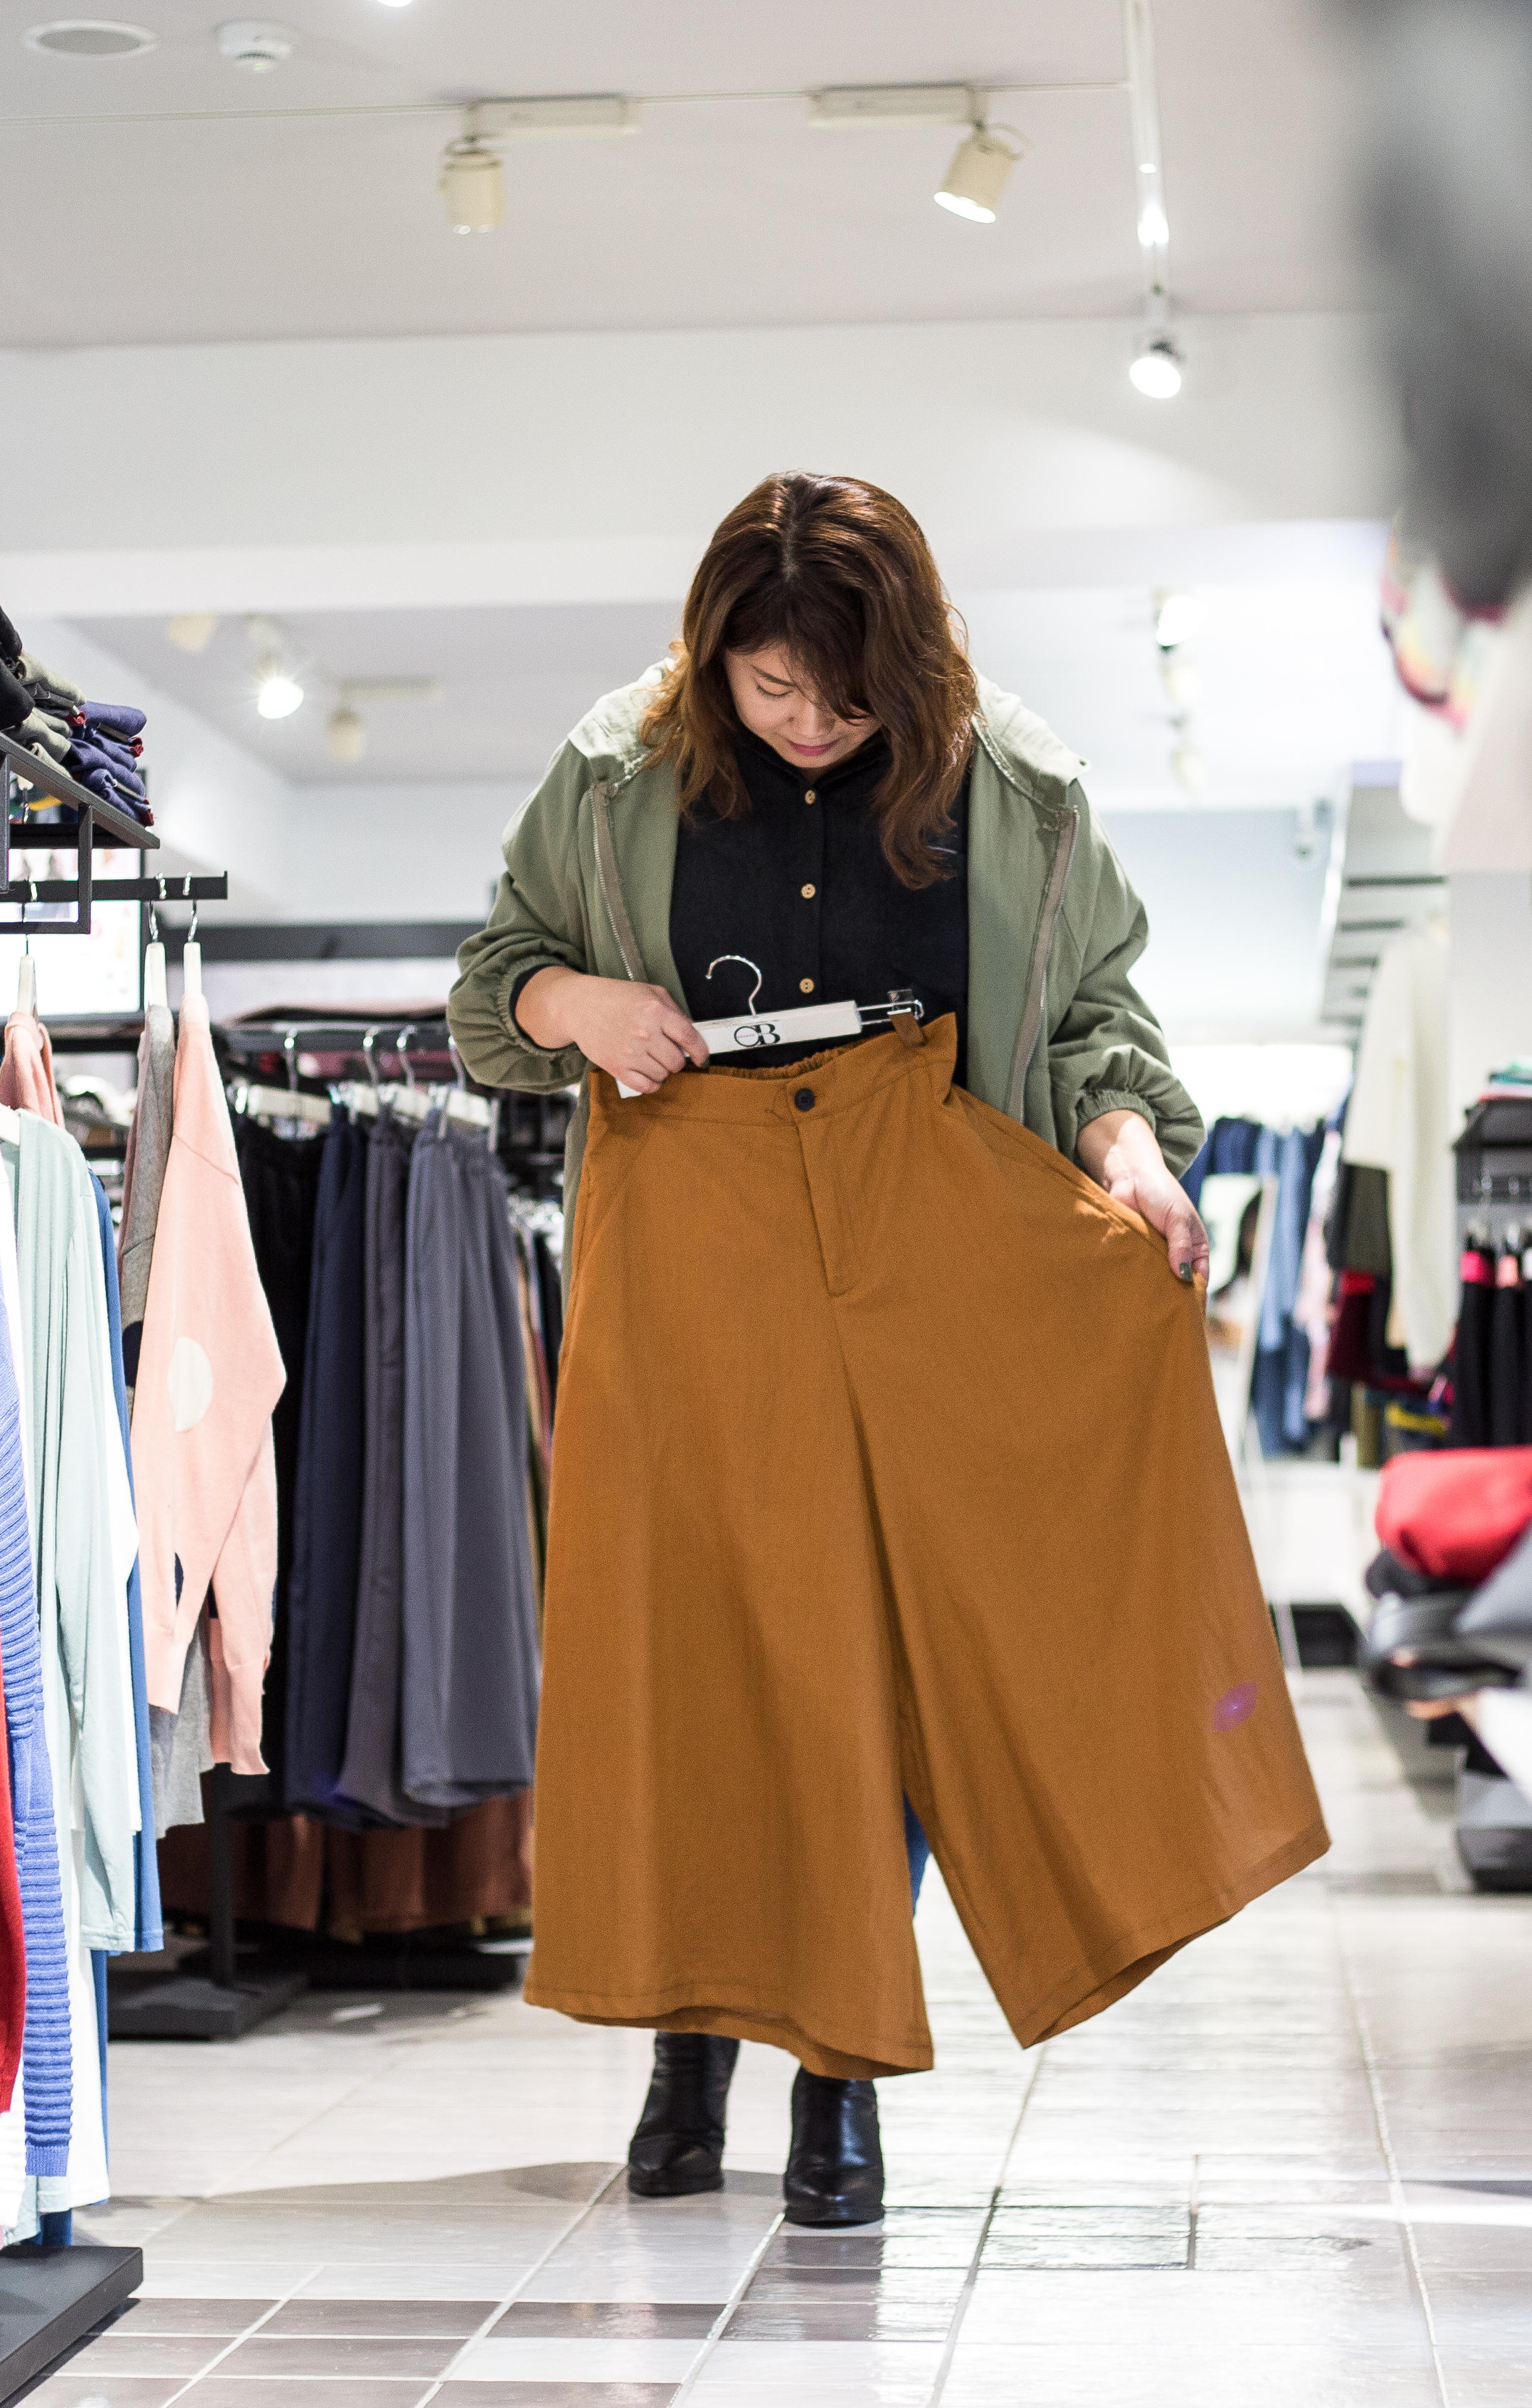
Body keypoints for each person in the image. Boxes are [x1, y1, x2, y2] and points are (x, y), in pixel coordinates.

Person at [451, 472, 1326, 2228]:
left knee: (915, 1661)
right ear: (714, 658)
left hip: (938, 1209)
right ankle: (690, 2045)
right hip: (692, 1216)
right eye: (772, 691)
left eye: (849, 703)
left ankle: (840, 2064)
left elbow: (1098, 1029)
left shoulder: (1020, 785)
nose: (810, 729)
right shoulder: (621, 770)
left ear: (915, 674)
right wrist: (579, 1008)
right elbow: (496, 983)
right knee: (706, 1647)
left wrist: (1138, 1163)